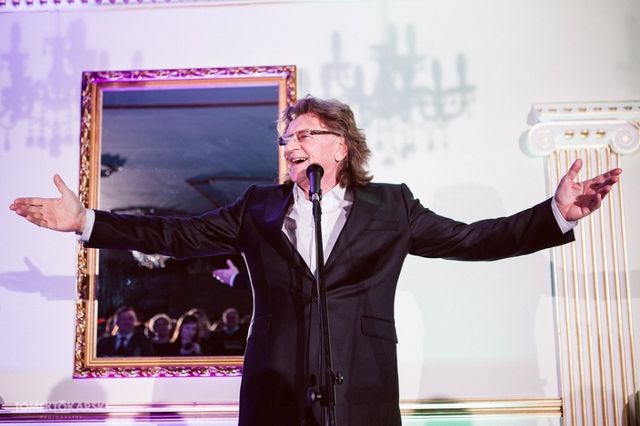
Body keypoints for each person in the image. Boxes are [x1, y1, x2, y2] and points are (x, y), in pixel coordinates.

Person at [9, 96, 622, 426]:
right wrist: (88, 221)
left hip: (362, 390)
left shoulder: (391, 206)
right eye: (286, 139)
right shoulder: (257, 207)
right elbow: (178, 235)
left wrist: (556, 213)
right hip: (274, 391)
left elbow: (474, 239)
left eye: (304, 135)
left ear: (342, 146)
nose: (291, 146)